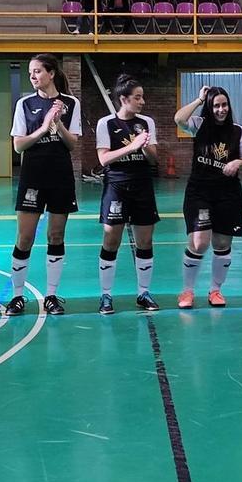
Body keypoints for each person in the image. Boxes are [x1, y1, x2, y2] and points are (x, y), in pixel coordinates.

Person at [7, 53, 82, 316]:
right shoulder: (24, 104)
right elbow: (18, 146)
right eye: (30, 73)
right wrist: (43, 127)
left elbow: (72, 144)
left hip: (60, 175)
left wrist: (58, 123)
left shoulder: (71, 103)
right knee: (25, 237)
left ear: (51, 73)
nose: (33, 76)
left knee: (56, 235)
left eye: (37, 71)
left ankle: (51, 295)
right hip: (33, 174)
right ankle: (17, 296)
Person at [173, 85, 242, 308]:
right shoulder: (199, 126)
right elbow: (179, 119)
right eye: (216, 105)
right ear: (209, 107)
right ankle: (187, 291)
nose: (220, 109)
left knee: (222, 242)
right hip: (200, 192)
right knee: (199, 242)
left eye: (224, 104)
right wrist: (199, 100)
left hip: (228, 193)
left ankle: (216, 291)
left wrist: (238, 163)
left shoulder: (239, 131)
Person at [95, 75, 161, 314]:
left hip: (142, 185)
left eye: (142, 97)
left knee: (145, 241)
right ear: (123, 99)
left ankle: (143, 293)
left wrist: (145, 148)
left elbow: (154, 159)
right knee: (111, 239)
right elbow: (103, 159)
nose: (142, 101)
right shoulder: (106, 124)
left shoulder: (146, 123)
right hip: (117, 186)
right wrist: (131, 147)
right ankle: (106, 295)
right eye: (137, 97)